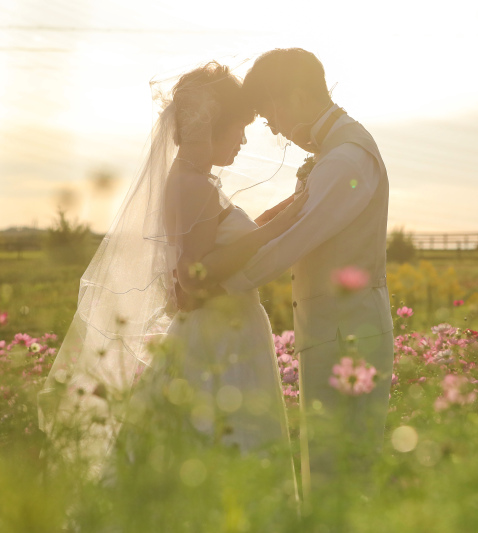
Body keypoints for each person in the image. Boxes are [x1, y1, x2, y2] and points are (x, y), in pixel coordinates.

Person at [38, 62, 306, 495]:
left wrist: (291, 207)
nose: (242, 140)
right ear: (214, 125)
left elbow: (220, 243)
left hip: (227, 332)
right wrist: (277, 229)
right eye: (239, 128)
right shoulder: (192, 185)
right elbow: (192, 277)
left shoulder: (194, 180)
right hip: (219, 339)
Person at [216, 48, 394, 500]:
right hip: (335, 333)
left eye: (269, 113)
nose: (272, 128)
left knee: (345, 476)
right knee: (330, 471)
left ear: (296, 96)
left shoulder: (345, 161)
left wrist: (213, 284)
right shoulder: (334, 152)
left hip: (348, 337)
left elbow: (288, 247)